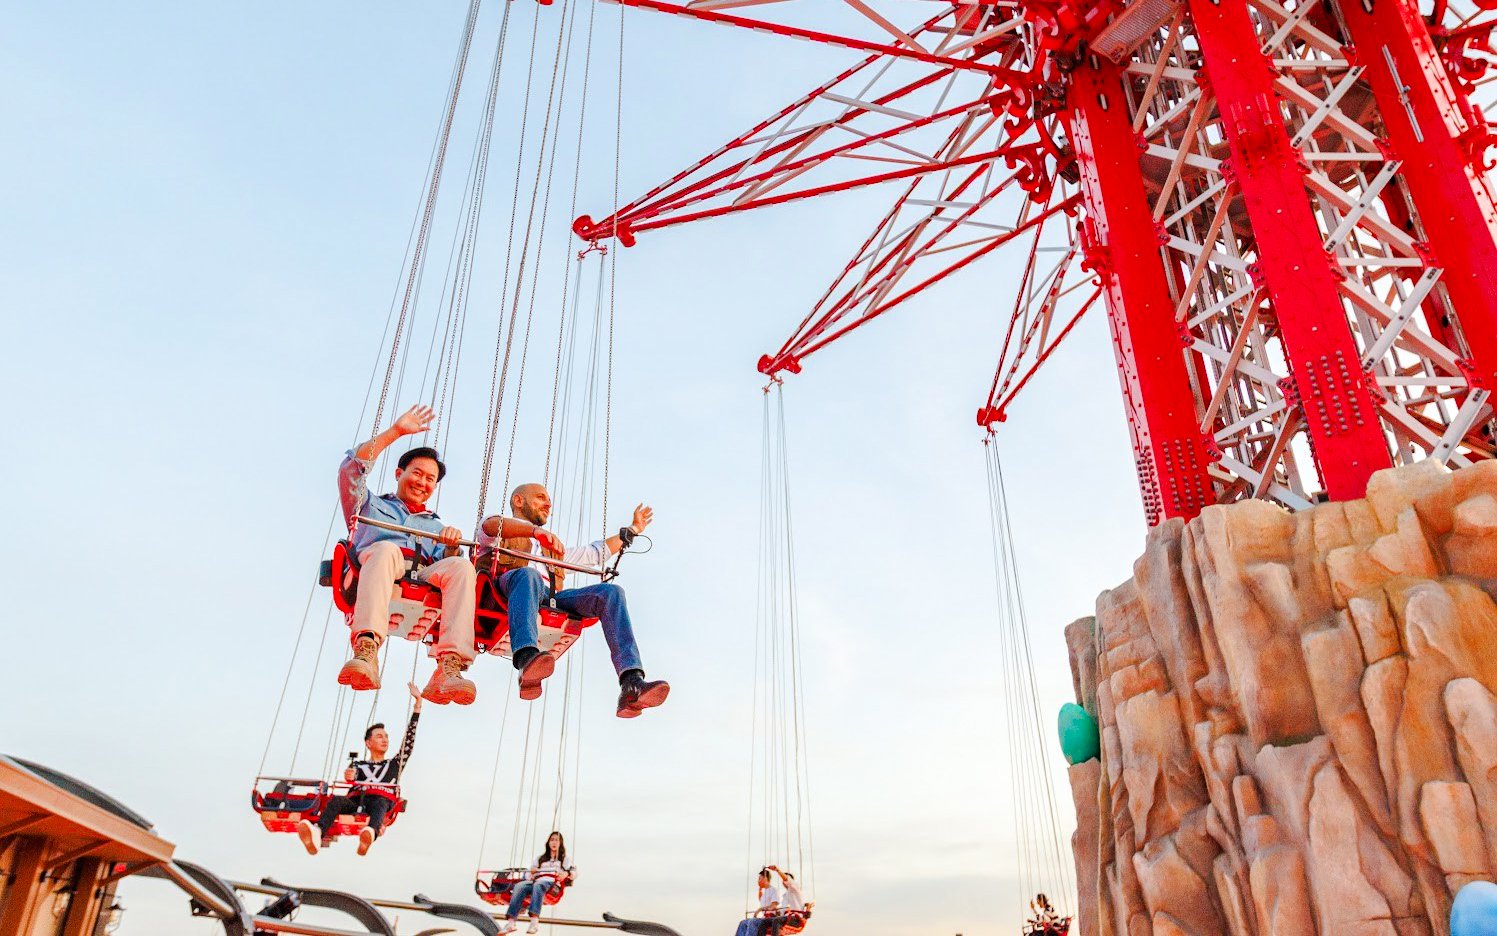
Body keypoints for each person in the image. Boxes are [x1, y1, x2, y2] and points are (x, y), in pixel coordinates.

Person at [477, 484, 669, 717]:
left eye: (549, 500)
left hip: (550, 598)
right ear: (518, 501)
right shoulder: (497, 532)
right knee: (529, 576)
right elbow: (489, 526)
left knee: (611, 593)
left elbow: (595, 553)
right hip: (506, 592)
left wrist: (633, 529)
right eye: (540, 498)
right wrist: (534, 533)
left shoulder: (553, 551)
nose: (548, 504)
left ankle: (631, 683)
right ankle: (527, 658)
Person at [336, 403, 479, 705]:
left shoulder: (433, 525)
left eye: (431, 480)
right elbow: (351, 470)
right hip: (376, 568)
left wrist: (452, 546)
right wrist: (397, 432)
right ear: (400, 473)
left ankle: (448, 666)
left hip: (420, 575)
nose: (423, 483)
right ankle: (366, 648)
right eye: (418, 474)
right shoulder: (370, 506)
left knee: (463, 569)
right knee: (387, 549)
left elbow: (446, 566)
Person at [297, 683, 422, 857]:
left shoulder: (394, 764)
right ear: (368, 743)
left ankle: (370, 834)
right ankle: (317, 833)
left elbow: (408, 742)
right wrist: (350, 776)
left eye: (386, 736)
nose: (384, 739)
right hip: (357, 801)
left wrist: (417, 706)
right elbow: (352, 775)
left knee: (380, 803)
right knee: (337, 800)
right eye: (379, 736)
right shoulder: (359, 765)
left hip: (380, 802)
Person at [498, 831, 576, 934]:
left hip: (551, 883)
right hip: (537, 881)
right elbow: (529, 875)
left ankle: (534, 921)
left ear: (560, 843)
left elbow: (573, 871)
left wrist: (566, 873)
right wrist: (532, 872)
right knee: (519, 886)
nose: (554, 842)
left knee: (538, 886)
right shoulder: (540, 859)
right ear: (548, 842)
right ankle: (511, 922)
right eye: (552, 840)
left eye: (556, 840)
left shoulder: (565, 859)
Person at [735, 868, 780, 936]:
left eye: (760, 878)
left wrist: (760, 909)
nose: (758, 880)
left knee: (752, 922)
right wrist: (760, 888)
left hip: (770, 917)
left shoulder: (773, 890)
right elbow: (760, 899)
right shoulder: (765, 892)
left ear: (765, 878)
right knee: (743, 923)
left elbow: (773, 906)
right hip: (764, 918)